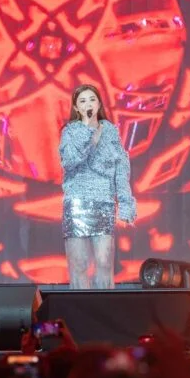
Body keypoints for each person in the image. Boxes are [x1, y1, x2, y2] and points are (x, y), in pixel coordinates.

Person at [58, 84, 135, 289]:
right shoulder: (70, 132)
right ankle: (79, 307)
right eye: (82, 101)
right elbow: (70, 161)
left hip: (104, 203)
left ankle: (104, 305)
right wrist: (86, 129)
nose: (88, 104)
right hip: (77, 204)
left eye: (92, 99)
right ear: (76, 108)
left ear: (99, 104)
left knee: (104, 262)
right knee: (79, 264)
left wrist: (125, 204)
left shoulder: (110, 131)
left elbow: (120, 168)